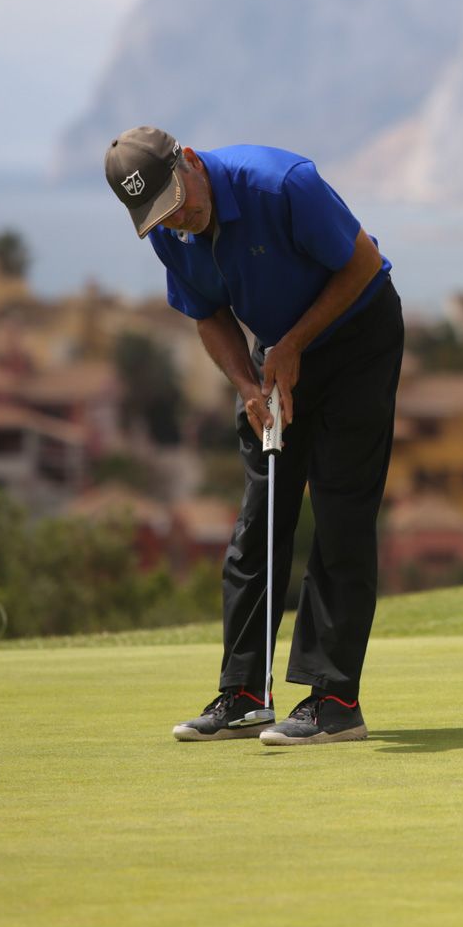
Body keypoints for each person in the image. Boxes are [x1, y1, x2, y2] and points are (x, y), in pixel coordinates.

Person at [103, 126, 403, 746]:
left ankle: (335, 700)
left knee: (341, 513)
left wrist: (292, 345)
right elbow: (208, 314)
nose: (180, 217)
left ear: (187, 160)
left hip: (356, 341)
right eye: (162, 214)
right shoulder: (171, 229)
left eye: (179, 199)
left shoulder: (281, 184)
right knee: (259, 518)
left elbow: (364, 266)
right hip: (274, 357)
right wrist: (246, 384)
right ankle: (245, 693)